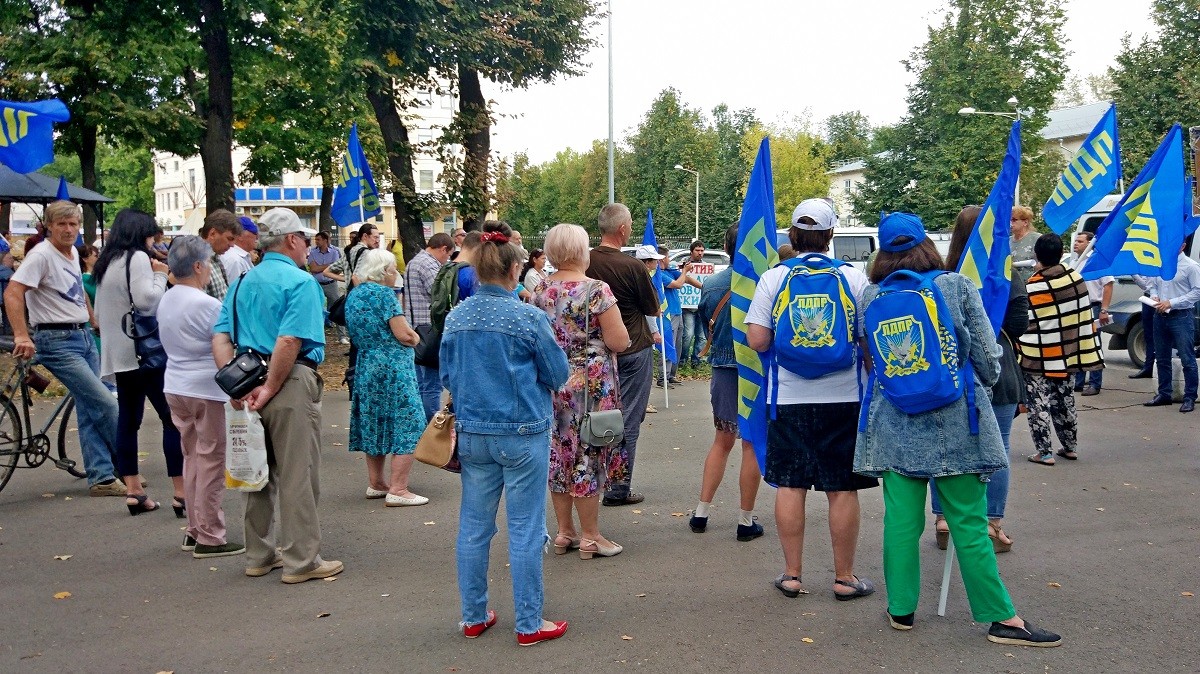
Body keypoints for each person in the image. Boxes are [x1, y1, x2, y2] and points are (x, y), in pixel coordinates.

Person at [855, 212, 1061, 647]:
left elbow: (872, 360)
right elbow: (989, 356)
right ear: (927, 244)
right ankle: (1001, 619)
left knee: (900, 522)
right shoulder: (956, 286)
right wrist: (972, 386)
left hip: (894, 421)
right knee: (969, 522)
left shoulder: (870, 296)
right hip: (956, 420)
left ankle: (901, 610)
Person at [440, 228, 570, 645]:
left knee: (474, 527)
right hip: (522, 433)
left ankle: (473, 616)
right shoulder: (529, 317)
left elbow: (447, 375)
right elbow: (557, 374)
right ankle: (530, 623)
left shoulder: (457, 317)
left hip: (474, 433)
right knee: (526, 527)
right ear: (516, 268)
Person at [746, 199, 877, 599]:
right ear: (831, 235)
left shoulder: (773, 278)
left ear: (794, 235)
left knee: (791, 485)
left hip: (787, 396)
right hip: (844, 397)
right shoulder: (854, 279)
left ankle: (791, 574)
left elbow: (757, 338)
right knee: (842, 488)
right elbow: (867, 340)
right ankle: (845, 578)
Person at [212, 207, 343, 584]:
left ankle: (258, 554)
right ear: (291, 240)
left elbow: (220, 337)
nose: (308, 246)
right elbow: (289, 339)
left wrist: (237, 384)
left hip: (245, 380)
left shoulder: (240, 283)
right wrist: (269, 386)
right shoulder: (301, 283)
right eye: (304, 239)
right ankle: (301, 560)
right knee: (297, 472)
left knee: (254, 471)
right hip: (288, 381)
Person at [4, 200, 124, 496]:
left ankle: (102, 477)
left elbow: (76, 289)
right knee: (106, 403)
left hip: (81, 336)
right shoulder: (41, 255)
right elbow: (13, 292)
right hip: (56, 341)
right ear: (49, 227)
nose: (69, 230)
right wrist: (21, 334)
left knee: (89, 406)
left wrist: (92, 319)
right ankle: (127, 467)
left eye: (73, 224)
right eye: (62, 224)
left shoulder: (71, 253)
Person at [933, 206, 1029, 553]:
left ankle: (944, 518)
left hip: (950, 372)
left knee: (944, 447)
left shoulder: (941, 275)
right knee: (997, 448)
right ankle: (990, 522)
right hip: (997, 370)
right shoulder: (1005, 273)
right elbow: (1019, 325)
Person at [533, 223, 630, 561]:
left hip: (554, 383)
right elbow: (618, 341)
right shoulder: (597, 291)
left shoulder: (540, 291)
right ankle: (591, 536)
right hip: (591, 385)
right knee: (588, 454)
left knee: (560, 454)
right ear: (581, 251)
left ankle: (564, 532)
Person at [159, 236, 245, 558]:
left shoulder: (167, 298)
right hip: (204, 388)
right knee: (210, 461)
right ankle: (211, 535)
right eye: (207, 263)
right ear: (197, 266)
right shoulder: (206, 304)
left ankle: (195, 529)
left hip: (175, 385)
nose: (210, 269)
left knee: (193, 457)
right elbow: (226, 340)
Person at [94, 208, 183, 516]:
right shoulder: (138, 258)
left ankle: (133, 489)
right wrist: (162, 276)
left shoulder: (107, 262)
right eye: (150, 234)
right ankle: (181, 491)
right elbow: (147, 300)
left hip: (119, 354)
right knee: (171, 418)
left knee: (128, 421)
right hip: (145, 353)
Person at [689, 224, 764, 541]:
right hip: (754, 370)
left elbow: (707, 321)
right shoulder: (763, 284)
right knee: (751, 444)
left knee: (722, 440)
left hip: (722, 368)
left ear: (726, 246)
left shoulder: (713, 283)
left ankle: (701, 513)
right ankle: (745, 521)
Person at [587, 203, 661, 507]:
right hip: (632, 348)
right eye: (629, 224)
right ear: (622, 229)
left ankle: (591, 479)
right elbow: (652, 308)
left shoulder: (584, 261)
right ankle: (619, 487)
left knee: (594, 416)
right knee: (629, 417)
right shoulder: (632, 267)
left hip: (596, 351)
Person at [345, 248, 428, 506]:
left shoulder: (355, 295)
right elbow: (403, 334)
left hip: (367, 363)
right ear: (383, 272)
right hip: (393, 367)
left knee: (375, 421)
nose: (395, 275)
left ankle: (377, 482)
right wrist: (416, 337)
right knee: (409, 422)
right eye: (393, 270)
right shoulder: (384, 295)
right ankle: (399, 489)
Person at [1019, 234, 1103, 465]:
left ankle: (1044, 452)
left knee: (1038, 403)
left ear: (1037, 255)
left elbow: (1027, 320)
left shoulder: (1034, 285)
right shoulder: (1075, 279)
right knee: (1065, 401)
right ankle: (1070, 446)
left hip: (1038, 355)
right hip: (1067, 353)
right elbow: (1080, 315)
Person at [1143, 242, 1200, 413]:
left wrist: (1172, 302)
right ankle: (1164, 393)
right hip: (1160, 316)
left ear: (1182, 246)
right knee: (1161, 357)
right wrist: (1154, 296)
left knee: (1187, 358)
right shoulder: (1160, 263)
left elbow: (1197, 291)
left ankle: (1189, 397)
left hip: (1181, 316)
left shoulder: (1190, 266)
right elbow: (1152, 284)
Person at [402, 232, 454, 420]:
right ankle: (431, 427)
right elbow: (440, 295)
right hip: (429, 331)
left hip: (415, 328)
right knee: (432, 384)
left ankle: (419, 425)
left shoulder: (413, 262)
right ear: (443, 249)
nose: (446, 260)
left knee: (420, 383)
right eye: (447, 255)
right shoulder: (429, 264)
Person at [1070, 232, 1113, 396]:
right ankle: (1079, 382)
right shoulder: (1076, 262)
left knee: (1093, 345)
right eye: (1076, 241)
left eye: (1080, 241)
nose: (1076, 244)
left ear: (1089, 243)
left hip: (1093, 306)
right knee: (1079, 345)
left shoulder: (1098, 262)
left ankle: (1095, 383)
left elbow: (1108, 285)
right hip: (1077, 307)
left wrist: (1104, 309)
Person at [308, 231, 348, 344]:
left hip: (331, 284)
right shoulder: (313, 252)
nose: (316, 242)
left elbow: (338, 268)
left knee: (338, 308)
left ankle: (342, 336)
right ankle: (315, 336)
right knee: (315, 309)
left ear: (325, 240)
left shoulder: (335, 252)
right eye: (316, 240)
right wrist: (329, 266)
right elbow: (313, 269)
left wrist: (323, 267)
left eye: (318, 239)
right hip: (317, 284)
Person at [199, 209, 243, 300]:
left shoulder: (215, 258)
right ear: (212, 234)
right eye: (229, 238)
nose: (232, 245)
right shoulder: (196, 261)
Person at [679, 240, 708, 366]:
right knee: (688, 335)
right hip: (688, 308)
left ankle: (696, 360)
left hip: (701, 307)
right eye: (697, 250)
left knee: (701, 337)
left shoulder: (707, 267)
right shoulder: (683, 266)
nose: (700, 253)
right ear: (691, 251)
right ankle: (682, 359)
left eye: (702, 250)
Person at [1008, 206, 1039, 284]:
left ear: (1025, 222)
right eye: (1009, 220)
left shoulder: (1037, 239)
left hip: (1031, 285)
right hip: (1012, 286)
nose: (1011, 223)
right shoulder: (1007, 241)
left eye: (1014, 220)